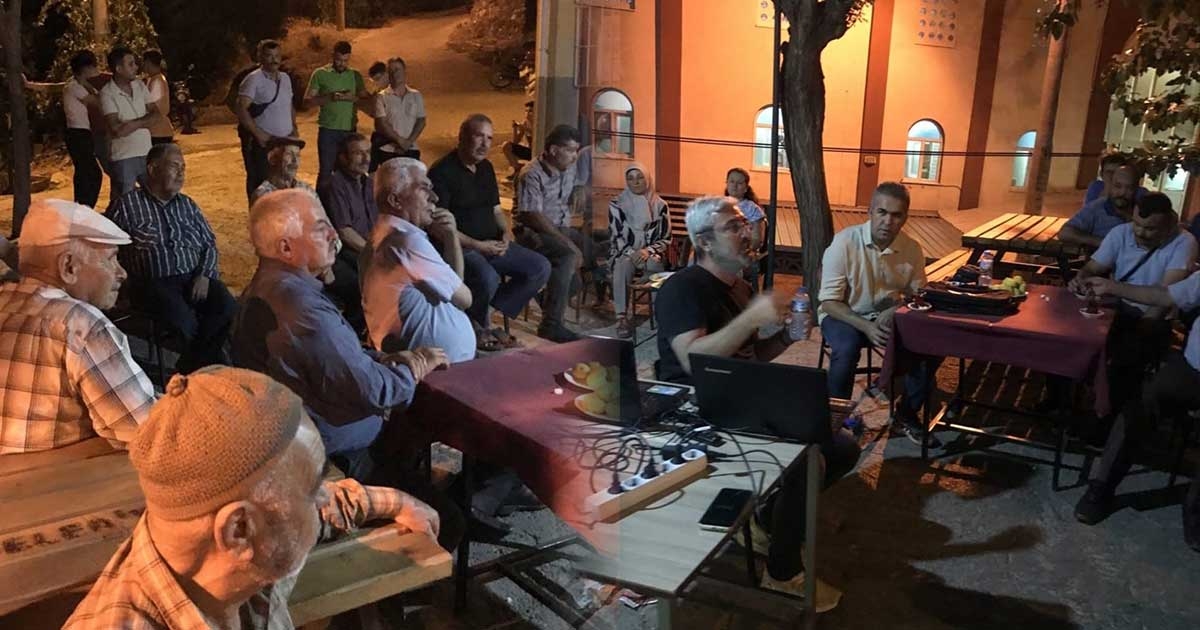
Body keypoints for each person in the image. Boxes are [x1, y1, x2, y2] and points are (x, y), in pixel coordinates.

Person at [62, 366, 454, 629]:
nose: (324, 500)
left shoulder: (227, 554)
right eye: (313, 488)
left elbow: (297, 513)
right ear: (239, 529)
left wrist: (393, 502)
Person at [654, 196, 857, 610]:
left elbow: (750, 356)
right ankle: (782, 572)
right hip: (695, 409)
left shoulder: (741, 287)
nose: (747, 232)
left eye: (745, 224)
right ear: (704, 242)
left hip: (740, 399)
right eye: (733, 226)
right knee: (807, 462)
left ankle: (767, 521)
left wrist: (784, 338)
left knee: (841, 446)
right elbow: (693, 360)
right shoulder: (683, 287)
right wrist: (751, 317)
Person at [232, 189, 448, 479]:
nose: (334, 235)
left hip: (299, 427)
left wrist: (382, 359)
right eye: (321, 229)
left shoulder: (271, 287)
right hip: (332, 443)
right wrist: (415, 366)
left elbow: (339, 360)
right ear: (286, 248)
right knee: (428, 405)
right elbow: (372, 390)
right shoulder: (301, 308)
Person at [0, 200, 155, 454]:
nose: (121, 273)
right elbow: (147, 432)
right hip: (65, 477)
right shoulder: (80, 326)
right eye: (111, 259)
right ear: (68, 267)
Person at [1076, 273, 1200, 552]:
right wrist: (1112, 286)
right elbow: (1165, 296)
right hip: (1192, 369)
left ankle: (1196, 511)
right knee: (1140, 406)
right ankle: (1101, 487)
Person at [818, 182, 939, 445]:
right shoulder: (844, 242)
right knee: (847, 347)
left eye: (896, 215)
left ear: (905, 218)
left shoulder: (912, 248)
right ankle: (833, 420)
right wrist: (865, 326)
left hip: (887, 316)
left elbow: (919, 295)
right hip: (844, 313)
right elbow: (829, 302)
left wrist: (897, 309)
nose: (888, 221)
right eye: (882, 212)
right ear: (870, 211)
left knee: (931, 343)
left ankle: (906, 414)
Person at [107, 143, 237, 373]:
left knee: (227, 306)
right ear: (153, 169)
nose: (181, 173)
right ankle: (209, 368)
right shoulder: (127, 206)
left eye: (183, 168)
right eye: (175, 166)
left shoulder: (188, 205)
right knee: (183, 320)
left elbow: (209, 243)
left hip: (194, 277)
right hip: (153, 282)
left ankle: (193, 366)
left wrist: (205, 275)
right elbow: (108, 246)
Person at [429, 114, 550, 351]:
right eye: (479, 136)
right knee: (488, 278)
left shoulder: (485, 167)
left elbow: (495, 209)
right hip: (462, 248)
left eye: (489, 138)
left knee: (540, 267)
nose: (485, 144)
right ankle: (479, 325)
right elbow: (439, 228)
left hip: (492, 244)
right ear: (462, 137)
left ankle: (483, 316)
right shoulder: (442, 172)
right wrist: (478, 245)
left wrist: (504, 233)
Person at [1068, 192, 1197, 411]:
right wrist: (1081, 279)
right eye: (1137, 224)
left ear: (1168, 225)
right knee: (1069, 341)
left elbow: (1163, 299)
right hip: (1113, 310)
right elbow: (1093, 267)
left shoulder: (1184, 243)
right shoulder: (1121, 233)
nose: (1140, 232)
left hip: (1150, 317)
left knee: (1127, 358)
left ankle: (1107, 416)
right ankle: (1064, 405)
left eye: (1150, 229)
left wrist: (1138, 330)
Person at [363, 157, 475, 363]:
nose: (434, 197)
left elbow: (454, 288)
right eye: (424, 189)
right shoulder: (406, 242)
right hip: (436, 369)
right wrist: (451, 237)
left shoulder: (381, 236)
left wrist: (451, 236)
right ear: (396, 201)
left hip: (432, 364)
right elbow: (464, 299)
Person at [515, 124, 587, 343]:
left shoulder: (567, 168)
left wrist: (580, 189)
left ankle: (547, 297)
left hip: (561, 227)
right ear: (554, 150)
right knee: (568, 255)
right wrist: (567, 243)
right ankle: (551, 325)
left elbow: (578, 183)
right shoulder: (531, 174)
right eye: (570, 150)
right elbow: (532, 215)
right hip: (533, 232)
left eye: (576, 151)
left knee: (596, 249)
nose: (574, 156)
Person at [317, 133, 377, 332]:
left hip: (366, 249)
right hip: (344, 253)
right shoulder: (335, 185)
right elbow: (345, 232)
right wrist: (375, 252)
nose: (366, 158)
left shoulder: (369, 184)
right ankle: (350, 334)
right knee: (362, 289)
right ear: (343, 157)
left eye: (368, 152)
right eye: (358, 153)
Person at [609, 163, 670, 339]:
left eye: (640, 177)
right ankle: (621, 318)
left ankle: (659, 314)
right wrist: (632, 253)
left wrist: (647, 251)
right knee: (622, 265)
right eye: (630, 178)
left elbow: (666, 238)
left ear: (647, 179)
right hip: (626, 252)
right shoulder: (616, 204)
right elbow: (616, 235)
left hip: (650, 252)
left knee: (655, 264)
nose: (635, 182)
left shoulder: (660, 205)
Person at [237, 39, 298, 204]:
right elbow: (241, 109)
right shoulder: (253, 79)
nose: (274, 60)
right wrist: (259, 134)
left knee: (283, 180)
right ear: (260, 57)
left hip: (284, 141)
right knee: (261, 183)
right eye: (269, 56)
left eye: (277, 56)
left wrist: (294, 128)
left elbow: (289, 104)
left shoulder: (285, 78)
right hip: (263, 144)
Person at [305, 40, 373, 187]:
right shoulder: (320, 74)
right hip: (328, 131)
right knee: (326, 172)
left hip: (349, 131)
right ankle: (322, 200)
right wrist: (330, 97)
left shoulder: (355, 76)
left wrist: (352, 98)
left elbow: (366, 100)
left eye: (345, 60)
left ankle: (343, 199)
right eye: (338, 60)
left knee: (348, 171)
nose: (342, 64)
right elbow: (308, 101)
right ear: (332, 56)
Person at [99, 46, 158, 204]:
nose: (136, 67)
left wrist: (131, 124)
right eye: (131, 64)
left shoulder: (140, 86)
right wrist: (144, 122)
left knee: (154, 199)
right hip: (123, 156)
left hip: (146, 152)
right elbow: (116, 129)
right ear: (118, 69)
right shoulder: (107, 93)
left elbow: (157, 115)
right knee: (125, 203)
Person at [1058, 165, 1139, 248]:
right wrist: (1103, 242)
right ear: (1111, 185)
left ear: (1136, 189)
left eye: (1129, 188)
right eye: (1118, 186)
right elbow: (1065, 233)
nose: (1122, 193)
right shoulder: (1097, 207)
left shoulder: (1141, 211)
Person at [370, 57, 426, 171]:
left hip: (411, 150)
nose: (395, 74)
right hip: (388, 151)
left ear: (404, 71)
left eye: (397, 69)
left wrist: (408, 142)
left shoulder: (416, 95)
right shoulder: (381, 97)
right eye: (391, 71)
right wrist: (401, 142)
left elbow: (421, 121)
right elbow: (381, 124)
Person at [64, 51, 104, 207]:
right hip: (78, 133)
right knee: (93, 174)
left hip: (80, 133)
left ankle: (81, 207)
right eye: (93, 66)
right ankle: (85, 208)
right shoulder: (75, 86)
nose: (96, 70)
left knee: (83, 173)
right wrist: (90, 85)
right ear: (85, 68)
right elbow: (98, 103)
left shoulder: (74, 84)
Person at [724, 167, 767, 290]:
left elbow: (757, 240)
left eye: (739, 183)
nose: (734, 185)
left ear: (746, 187)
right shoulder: (719, 205)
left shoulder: (752, 209)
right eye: (731, 181)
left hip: (741, 252)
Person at [251, 137, 316, 203]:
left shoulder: (307, 191)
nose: (295, 161)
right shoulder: (263, 196)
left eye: (297, 155)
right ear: (272, 158)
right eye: (289, 154)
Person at [1083, 152, 1149, 206]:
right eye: (1109, 172)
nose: (1112, 175)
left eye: (1117, 171)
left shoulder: (1140, 192)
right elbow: (1087, 212)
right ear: (1101, 174)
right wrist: (1107, 190)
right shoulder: (1096, 187)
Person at [141, 50, 173, 146]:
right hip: (156, 131)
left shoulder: (157, 82)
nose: (143, 65)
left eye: (143, 62)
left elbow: (149, 105)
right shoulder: (153, 79)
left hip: (159, 132)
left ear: (148, 62)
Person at [502, 100, 534, 179]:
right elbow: (515, 141)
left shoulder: (539, 123)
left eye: (530, 111)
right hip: (529, 151)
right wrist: (515, 129)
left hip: (537, 152)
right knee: (506, 146)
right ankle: (517, 169)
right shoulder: (525, 123)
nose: (527, 114)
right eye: (526, 111)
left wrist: (526, 129)